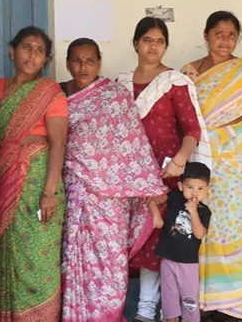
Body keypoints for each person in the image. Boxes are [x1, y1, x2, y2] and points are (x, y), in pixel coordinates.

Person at [61, 38, 167, 321]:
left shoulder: (115, 96)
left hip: (112, 203)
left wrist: (150, 187)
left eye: (89, 60)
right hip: (77, 192)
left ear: (99, 63)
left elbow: (134, 143)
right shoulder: (59, 95)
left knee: (111, 264)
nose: (83, 67)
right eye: (76, 61)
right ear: (67, 63)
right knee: (76, 261)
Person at [116, 17, 210, 322]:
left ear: (166, 46)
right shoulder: (121, 83)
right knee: (134, 239)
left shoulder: (174, 82)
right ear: (136, 43)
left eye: (159, 41)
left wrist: (179, 162)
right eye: (147, 40)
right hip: (129, 175)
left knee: (158, 240)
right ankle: (138, 307)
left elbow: (192, 129)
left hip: (165, 173)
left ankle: (149, 308)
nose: (153, 46)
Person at [181, 11, 242, 321]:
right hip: (199, 167)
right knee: (201, 231)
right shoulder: (189, 73)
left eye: (231, 34)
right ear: (206, 35)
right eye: (218, 33)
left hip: (238, 169)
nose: (225, 40)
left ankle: (237, 308)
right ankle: (204, 304)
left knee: (237, 235)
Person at [0, 27, 68, 320]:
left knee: (38, 258)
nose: (32, 55)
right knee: (8, 255)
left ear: (45, 59)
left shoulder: (51, 93)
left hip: (39, 184)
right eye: (26, 47)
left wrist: (49, 193)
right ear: (13, 51)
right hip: (4, 180)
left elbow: (58, 144)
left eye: (39, 51)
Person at [155, 162, 212, 322]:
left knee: (189, 298)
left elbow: (199, 234)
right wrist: (156, 215)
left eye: (200, 188)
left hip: (188, 263)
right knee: (169, 297)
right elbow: (153, 200)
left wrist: (193, 212)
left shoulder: (204, 211)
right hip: (168, 258)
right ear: (181, 186)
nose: (195, 192)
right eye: (190, 187)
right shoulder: (174, 198)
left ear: (207, 190)